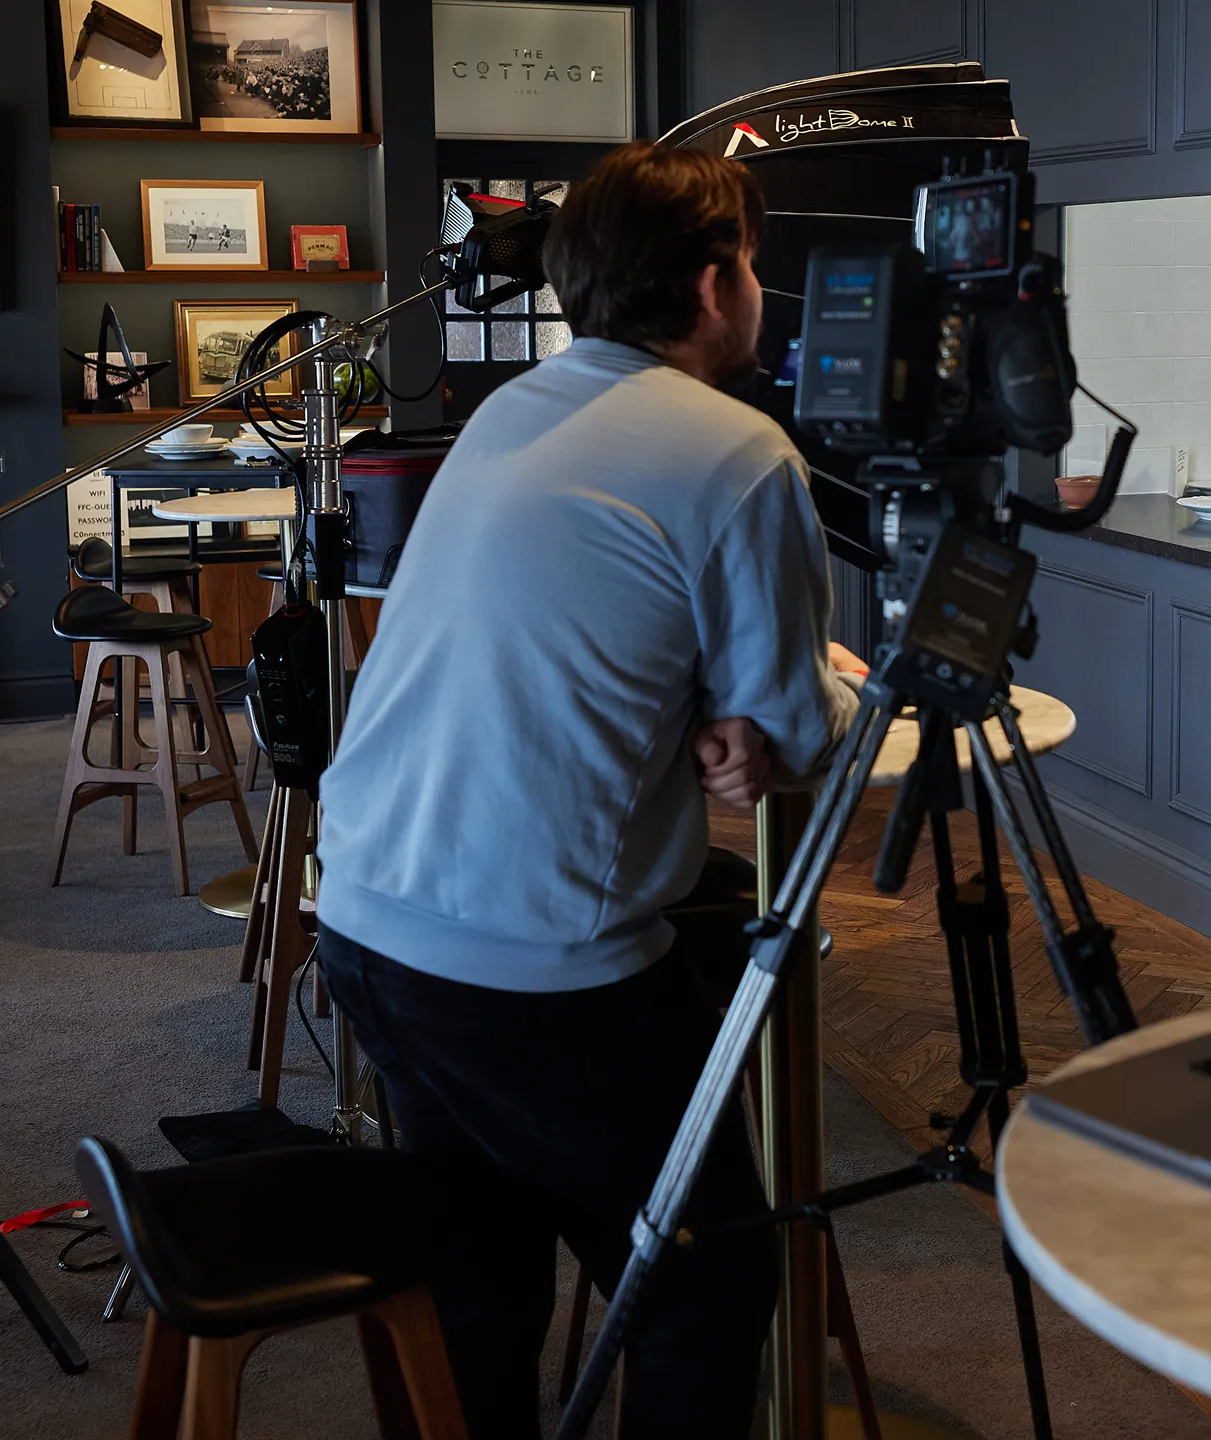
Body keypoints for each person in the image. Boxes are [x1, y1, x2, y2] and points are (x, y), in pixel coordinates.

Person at [310, 141, 863, 1438]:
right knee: (713, 1272)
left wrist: (711, 716)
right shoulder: (739, 453)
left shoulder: (513, 409)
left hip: (368, 922)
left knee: (482, 1267)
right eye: (757, 266)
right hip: (532, 964)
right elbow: (789, 732)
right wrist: (827, 684)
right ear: (720, 281)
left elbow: (568, 652)